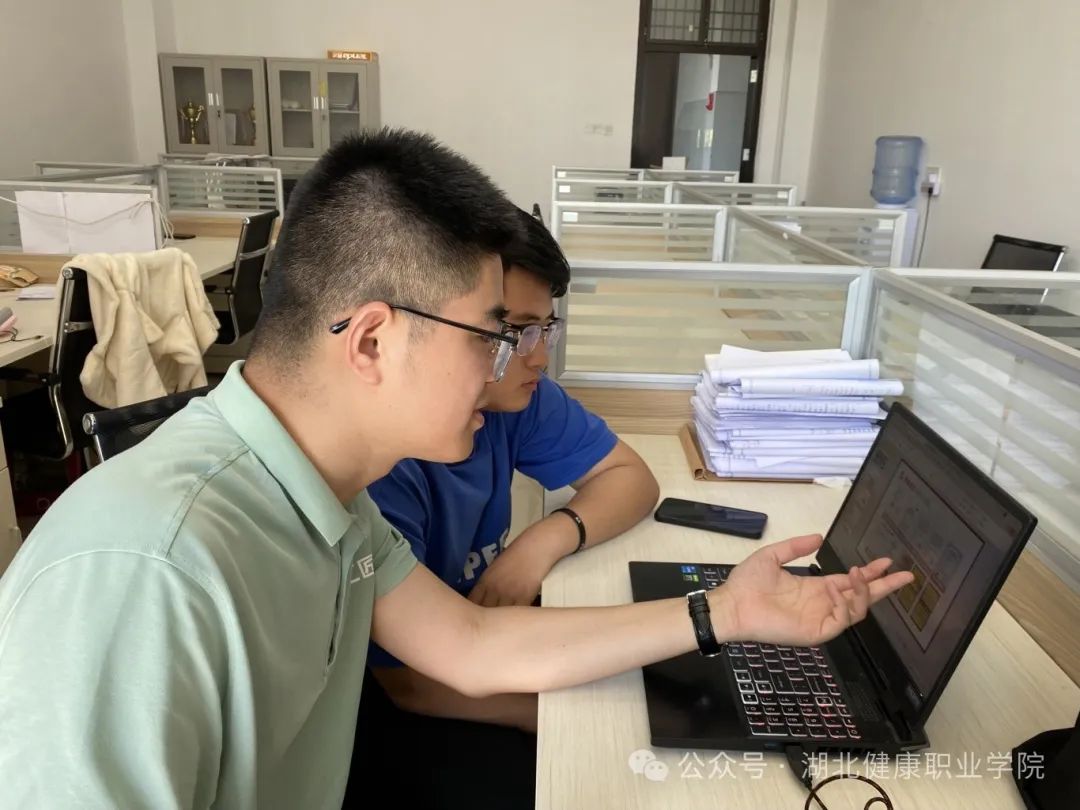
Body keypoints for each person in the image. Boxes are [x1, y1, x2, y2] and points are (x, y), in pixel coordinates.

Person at [0, 128, 913, 810]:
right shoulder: (142, 571)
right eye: (491, 334)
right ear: (371, 341)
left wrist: (726, 614)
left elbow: (473, 646)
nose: (511, 363)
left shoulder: (327, 499)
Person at [350, 207, 660, 809]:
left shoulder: (512, 399)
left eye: (544, 329)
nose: (536, 357)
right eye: (510, 332)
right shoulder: (385, 464)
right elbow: (408, 683)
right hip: (408, 701)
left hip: (478, 648)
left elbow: (631, 478)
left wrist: (545, 539)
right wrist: (558, 717)